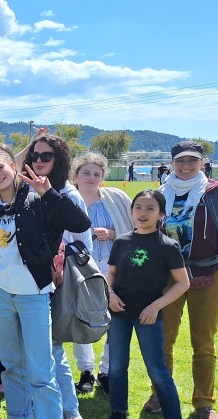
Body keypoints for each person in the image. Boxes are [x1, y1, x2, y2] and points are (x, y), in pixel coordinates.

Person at [0, 145, 91, 419]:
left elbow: (80, 223)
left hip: (34, 294)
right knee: (12, 367)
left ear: (13, 166)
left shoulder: (38, 198)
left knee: (41, 371)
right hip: (0, 293)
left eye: (0, 168)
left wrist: (49, 194)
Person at [147, 141, 218, 419]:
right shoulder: (160, 193)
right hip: (167, 278)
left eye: (192, 160)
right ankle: (159, 395)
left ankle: (204, 402)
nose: (186, 166)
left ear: (202, 163)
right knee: (162, 340)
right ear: (172, 163)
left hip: (206, 276)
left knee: (203, 343)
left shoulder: (215, 193)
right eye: (180, 160)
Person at [100, 189, 188, 419]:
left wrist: (155, 306)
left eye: (150, 208)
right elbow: (111, 274)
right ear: (132, 211)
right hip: (119, 314)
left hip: (148, 316)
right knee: (116, 367)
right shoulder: (122, 241)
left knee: (157, 370)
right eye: (138, 207)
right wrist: (110, 294)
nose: (143, 213)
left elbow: (183, 283)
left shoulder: (167, 246)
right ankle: (118, 414)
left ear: (161, 214)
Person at [23, 134, 93, 419]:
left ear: (59, 159)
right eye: (34, 156)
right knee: (33, 353)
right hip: (26, 283)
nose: (39, 161)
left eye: (46, 156)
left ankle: (70, 411)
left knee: (53, 349)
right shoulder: (25, 190)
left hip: (60, 284)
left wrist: (61, 263)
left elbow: (83, 244)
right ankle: (38, 409)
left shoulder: (68, 194)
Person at [71, 153, 134, 395]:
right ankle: (85, 370)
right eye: (86, 172)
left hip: (112, 267)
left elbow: (134, 229)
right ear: (76, 175)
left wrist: (110, 234)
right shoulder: (68, 201)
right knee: (81, 318)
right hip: (79, 268)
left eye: (96, 174)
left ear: (102, 177)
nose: (91, 178)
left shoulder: (115, 198)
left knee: (115, 318)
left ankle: (106, 371)